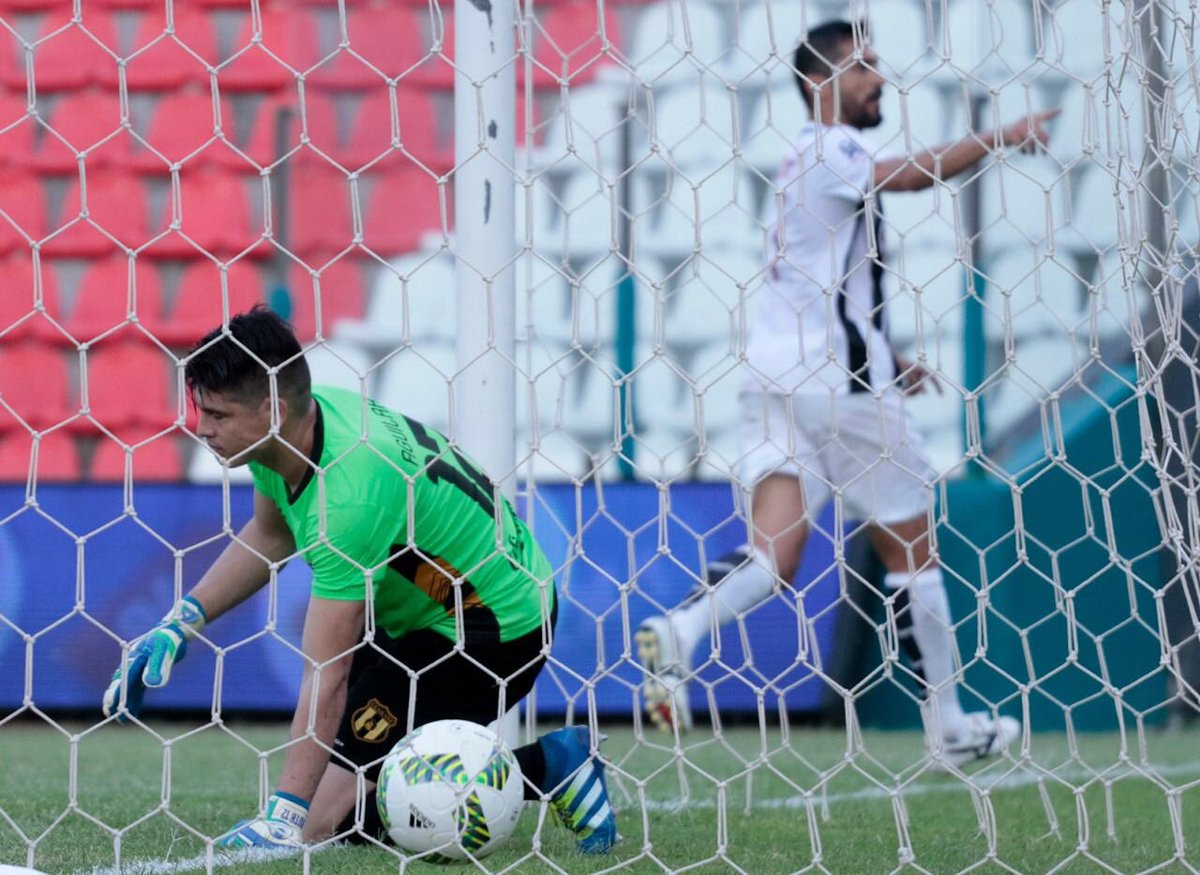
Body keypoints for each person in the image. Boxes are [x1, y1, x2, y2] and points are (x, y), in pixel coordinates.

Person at [636, 19, 1057, 766]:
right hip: (836, 380)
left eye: (878, 63)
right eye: (861, 66)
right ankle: (951, 724)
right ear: (816, 83)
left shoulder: (802, 164)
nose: (878, 78)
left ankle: (682, 631)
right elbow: (911, 174)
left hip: (775, 375)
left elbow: (818, 283)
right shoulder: (834, 147)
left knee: (773, 556)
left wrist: (887, 353)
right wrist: (1000, 136)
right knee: (911, 548)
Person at [102, 306, 617, 854]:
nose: (202, 429)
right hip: (430, 604)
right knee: (336, 781)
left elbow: (327, 670)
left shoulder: (349, 495)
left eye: (218, 415)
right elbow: (271, 534)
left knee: (321, 824)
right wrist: (181, 623)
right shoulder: (288, 437)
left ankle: (552, 765)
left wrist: (284, 816)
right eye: (200, 410)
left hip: (491, 628)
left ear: (274, 409)